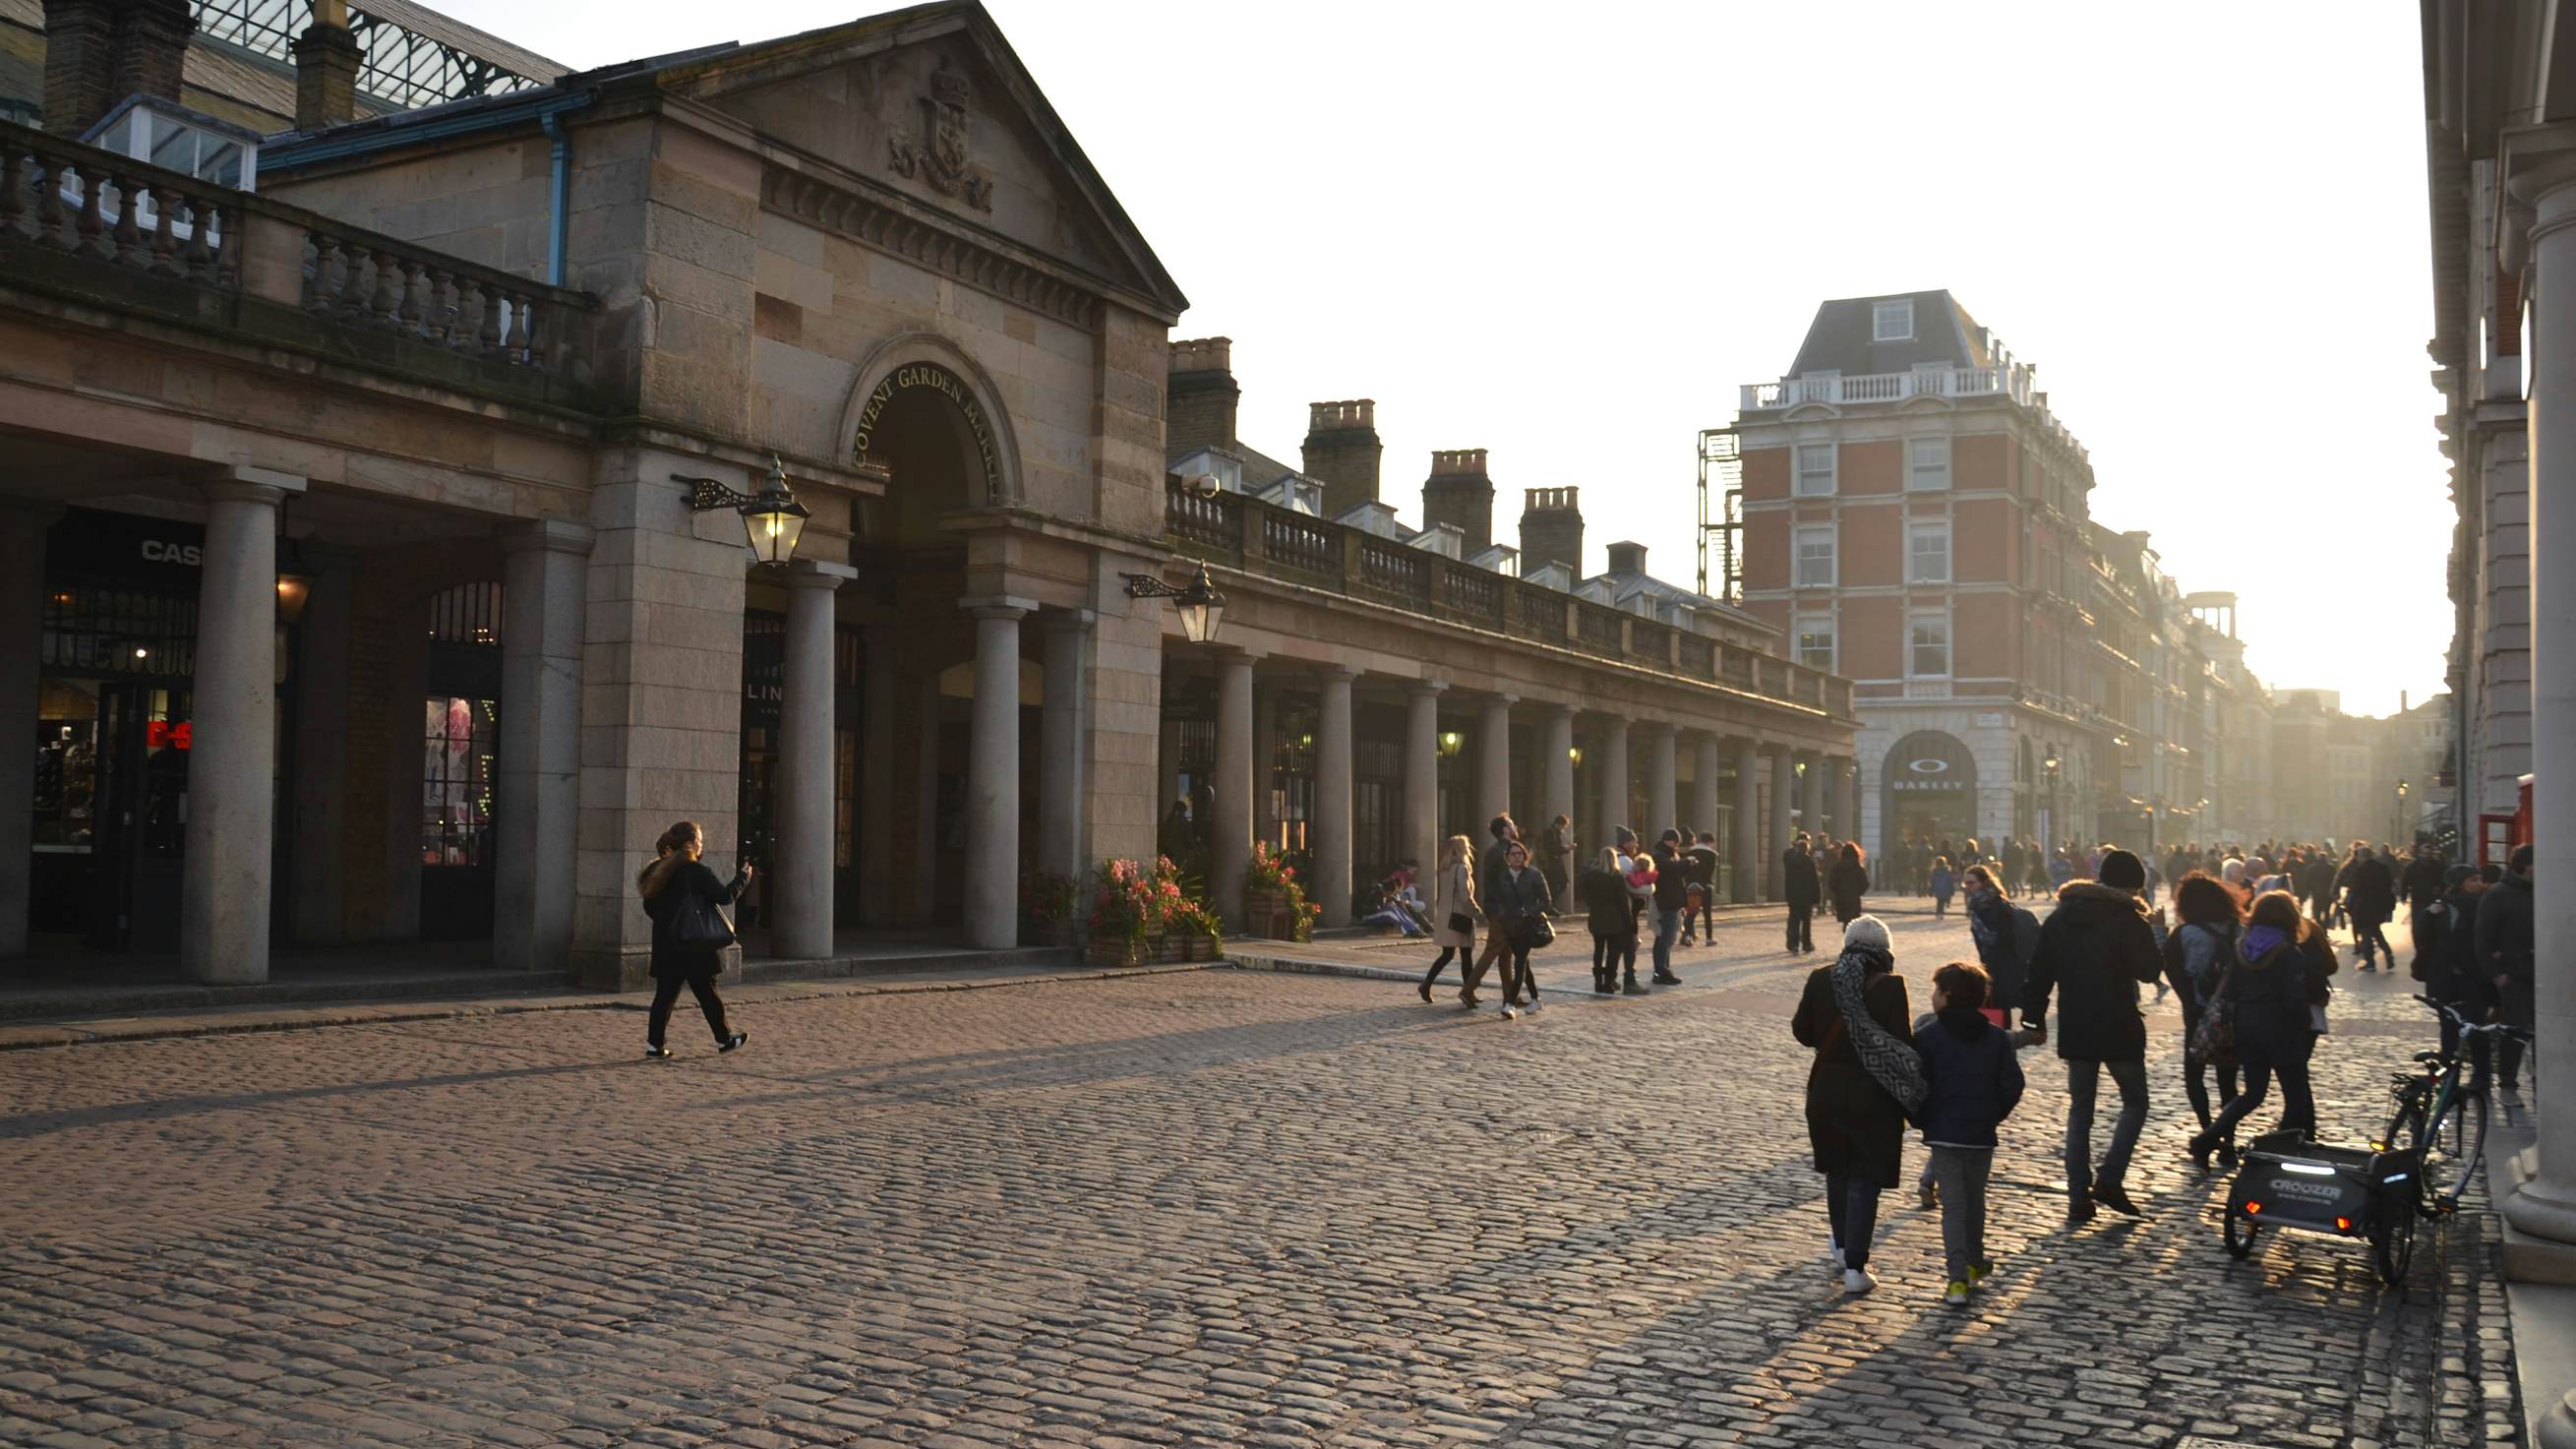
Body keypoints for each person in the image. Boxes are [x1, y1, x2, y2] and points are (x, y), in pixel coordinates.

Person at [2019, 847, 2162, 1223]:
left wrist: (2033, 1018)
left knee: (2080, 1111)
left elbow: (2039, 971)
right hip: (2118, 1023)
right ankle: (2110, 1179)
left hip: (2077, 1022)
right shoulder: (2129, 919)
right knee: (2135, 1101)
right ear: (2132, 886)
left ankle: (2078, 1195)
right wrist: (2158, 931)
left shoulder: (2063, 915)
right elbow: (2148, 971)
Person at [1791, 916, 1916, 1297]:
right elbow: (1901, 1043)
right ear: (1884, 950)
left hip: (1826, 1087)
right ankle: (1855, 1266)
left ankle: (1843, 1245)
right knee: (1864, 1175)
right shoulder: (1890, 986)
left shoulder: (1821, 977)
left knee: (1837, 1168)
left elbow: (1803, 1031)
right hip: (1873, 1093)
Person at [2189, 890, 2334, 1163]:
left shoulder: (2241, 945)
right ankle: (2284, 1151)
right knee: (2296, 1093)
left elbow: (2223, 986)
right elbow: (2293, 999)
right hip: (2281, 1028)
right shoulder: (2288, 952)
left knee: (2253, 1093)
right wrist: (2304, 1025)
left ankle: (2207, 1138)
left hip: (2246, 1024)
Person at [1913, 960, 2024, 1308]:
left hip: (1944, 1133)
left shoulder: (1928, 1037)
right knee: (1975, 1202)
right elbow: (2013, 1084)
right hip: (1979, 1132)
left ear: (1947, 994)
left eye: (1936, 990)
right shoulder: (1994, 1037)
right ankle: (1975, 1261)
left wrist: (1923, 1117)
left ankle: (1957, 1278)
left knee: (1954, 1207)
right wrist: (1993, 1114)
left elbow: (1914, 1084)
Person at [635, 819, 750, 1058]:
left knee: (665, 996)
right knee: (708, 993)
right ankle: (724, 1039)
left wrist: (669, 922)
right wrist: (743, 877)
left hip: (667, 943)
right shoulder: (696, 871)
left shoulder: (658, 869)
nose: (701, 844)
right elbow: (724, 896)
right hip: (694, 944)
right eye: (699, 840)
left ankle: (654, 1045)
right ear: (690, 843)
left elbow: (650, 906)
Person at [2163, 872, 2246, 1165]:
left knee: (2194, 1076)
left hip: (2198, 1014)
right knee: (2228, 1082)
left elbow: (2172, 970)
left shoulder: (2184, 934)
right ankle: (2227, 1141)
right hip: (2233, 1014)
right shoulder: (2238, 929)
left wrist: (2190, 1000)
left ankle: (2206, 1129)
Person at [2476, 844, 2536, 1100]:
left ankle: (2541, 1078)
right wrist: (2496, 973)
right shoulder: (2498, 894)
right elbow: (2482, 937)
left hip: (2541, 973)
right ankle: (2507, 1079)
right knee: (2515, 1028)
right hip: (2513, 974)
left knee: (2542, 1030)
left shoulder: (2542, 891)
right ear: (2525, 865)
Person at [1485, 838, 1553, 1020]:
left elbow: (1546, 902)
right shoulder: (1503, 877)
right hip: (1509, 926)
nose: (1516, 857)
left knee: (1519, 963)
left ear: (1525, 856)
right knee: (1525, 964)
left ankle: (1509, 1003)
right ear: (1507, 857)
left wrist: (1528, 912)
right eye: (1513, 854)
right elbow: (1497, 899)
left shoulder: (1534, 874)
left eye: (1519, 853)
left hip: (1527, 926)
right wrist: (1500, 915)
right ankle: (1536, 998)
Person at [1461, 815, 1521, 1001]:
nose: (1515, 826)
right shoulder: (1505, 852)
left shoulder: (1494, 850)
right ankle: (1468, 989)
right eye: (1511, 824)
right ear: (1505, 830)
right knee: (1494, 949)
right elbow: (1508, 882)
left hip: (1497, 906)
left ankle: (1510, 995)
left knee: (1506, 952)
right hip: (1503, 908)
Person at [1420, 834, 1479, 1001]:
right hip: (1460, 916)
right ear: (1462, 849)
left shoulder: (1445, 868)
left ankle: (1426, 984)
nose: (1469, 849)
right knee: (1466, 956)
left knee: (1447, 954)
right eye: (1467, 847)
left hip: (1446, 916)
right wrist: (1477, 912)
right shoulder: (1462, 868)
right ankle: (1468, 992)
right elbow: (1465, 895)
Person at [1583, 846, 1637, 997]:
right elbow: (1622, 902)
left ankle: (1598, 981)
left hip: (1596, 918)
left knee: (1598, 950)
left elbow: (1585, 893)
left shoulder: (1591, 875)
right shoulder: (1616, 876)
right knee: (1613, 952)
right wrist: (1629, 920)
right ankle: (1609, 981)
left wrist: (1592, 905)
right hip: (1615, 920)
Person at [2340, 844, 2398, 973]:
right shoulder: (2382, 868)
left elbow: (2355, 888)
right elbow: (2389, 885)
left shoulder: (2360, 870)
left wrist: (2350, 904)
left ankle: (2370, 963)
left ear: (2362, 857)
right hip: (2379, 906)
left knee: (2366, 934)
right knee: (2376, 931)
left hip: (2364, 906)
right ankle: (2388, 953)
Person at [2402, 844, 2449, 975]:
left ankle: (2431, 948)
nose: (2427, 856)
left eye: (2429, 853)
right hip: (2418, 900)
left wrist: (2442, 894)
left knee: (2433, 925)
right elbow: (2405, 881)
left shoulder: (2438, 866)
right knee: (2418, 925)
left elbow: (2444, 882)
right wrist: (2403, 895)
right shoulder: (2412, 866)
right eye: (2424, 853)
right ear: (2420, 853)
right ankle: (2420, 949)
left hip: (2433, 899)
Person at [1648, 829, 1688, 985]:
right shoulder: (1659, 855)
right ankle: (1660, 971)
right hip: (1666, 902)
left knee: (1669, 938)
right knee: (1664, 938)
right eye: (1675, 842)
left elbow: (1676, 874)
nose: (1677, 845)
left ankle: (1664, 969)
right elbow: (1668, 869)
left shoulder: (1671, 855)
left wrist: (1686, 866)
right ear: (1668, 841)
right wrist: (1683, 863)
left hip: (1673, 901)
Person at [1681, 830, 1721, 946]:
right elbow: (1710, 872)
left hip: (1692, 886)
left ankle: (1688, 936)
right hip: (1705, 886)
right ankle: (1709, 938)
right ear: (1710, 842)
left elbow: (1686, 869)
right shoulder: (1712, 854)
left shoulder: (1691, 852)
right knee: (1707, 914)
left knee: (1691, 912)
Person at [1783, 832, 1821, 954]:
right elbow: (1814, 880)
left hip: (1793, 896)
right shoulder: (1808, 861)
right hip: (1806, 897)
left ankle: (1793, 944)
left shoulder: (1789, 859)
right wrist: (1817, 898)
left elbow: (1788, 879)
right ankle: (1806, 944)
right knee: (1806, 921)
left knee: (1794, 920)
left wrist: (1788, 895)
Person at [1827, 842, 1870, 927]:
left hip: (1841, 898)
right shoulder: (1858, 867)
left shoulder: (1837, 867)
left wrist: (1837, 892)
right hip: (1853, 898)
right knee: (1854, 923)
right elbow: (1864, 883)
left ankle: (1846, 937)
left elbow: (1832, 883)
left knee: (1846, 922)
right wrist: (1858, 892)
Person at [1541, 815, 1575, 915]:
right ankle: (1548, 906)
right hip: (1551, 863)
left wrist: (1566, 848)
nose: (1563, 828)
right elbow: (1551, 849)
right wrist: (1565, 848)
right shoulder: (1550, 833)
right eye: (1563, 826)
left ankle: (1550, 906)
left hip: (1557, 862)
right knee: (1554, 885)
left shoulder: (1556, 833)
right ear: (1558, 824)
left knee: (1562, 884)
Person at [1928, 855, 1956, 919]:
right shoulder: (1947, 872)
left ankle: (1939, 912)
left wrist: (1931, 890)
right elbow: (1950, 882)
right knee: (1943, 901)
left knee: (1940, 901)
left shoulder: (1935, 872)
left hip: (1938, 889)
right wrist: (1952, 890)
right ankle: (1941, 911)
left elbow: (1932, 882)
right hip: (1946, 889)